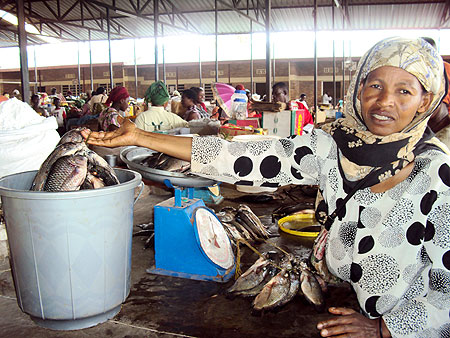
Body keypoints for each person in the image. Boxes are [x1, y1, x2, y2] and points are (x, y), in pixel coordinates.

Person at [82, 37, 449, 337]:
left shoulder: (437, 174)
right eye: (375, 85)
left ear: (425, 101)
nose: (385, 101)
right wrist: (142, 137)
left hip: (401, 322)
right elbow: (235, 156)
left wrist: (386, 330)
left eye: (404, 91)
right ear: (358, 89)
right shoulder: (333, 146)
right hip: (347, 298)